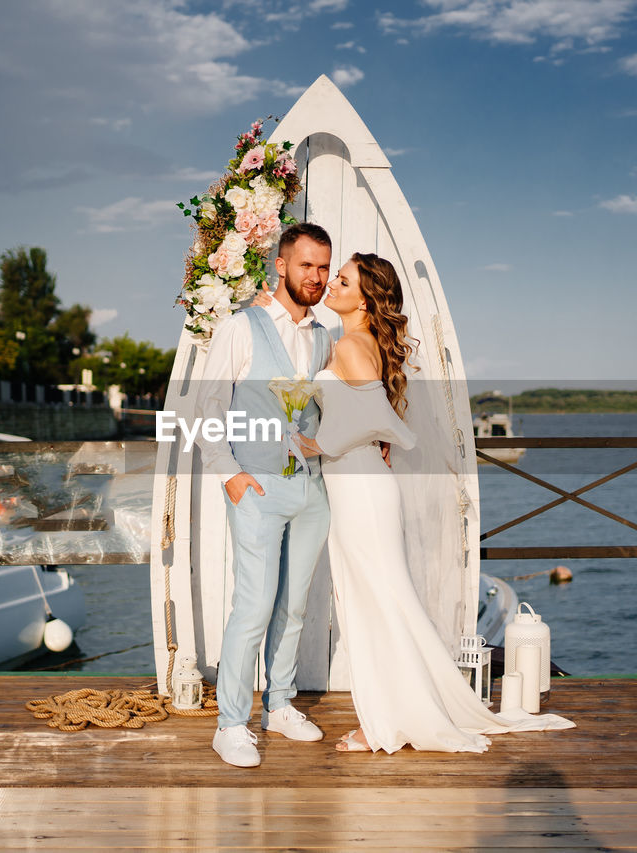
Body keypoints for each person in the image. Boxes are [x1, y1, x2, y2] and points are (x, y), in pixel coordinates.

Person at [294, 252, 575, 753]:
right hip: (358, 485)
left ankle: (384, 722)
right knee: (379, 603)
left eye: (343, 279)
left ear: (365, 296)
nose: (332, 284)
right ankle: (393, 712)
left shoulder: (353, 347)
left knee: (376, 606)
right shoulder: (355, 343)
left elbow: (385, 423)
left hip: (360, 488)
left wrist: (322, 445)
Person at [194, 222, 334, 768]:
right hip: (255, 485)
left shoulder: (325, 337)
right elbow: (208, 406)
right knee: (252, 605)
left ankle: (279, 705)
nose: (316, 278)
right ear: (281, 265)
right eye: (306, 266)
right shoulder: (241, 328)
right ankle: (231, 723)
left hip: (311, 490)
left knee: (294, 605)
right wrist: (227, 472)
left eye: (324, 267)